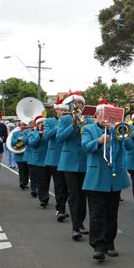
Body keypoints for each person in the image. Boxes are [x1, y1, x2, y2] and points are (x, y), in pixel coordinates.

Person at [81, 101, 133, 261]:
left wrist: (119, 131)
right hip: (96, 178)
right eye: (103, 115)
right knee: (97, 214)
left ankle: (110, 243)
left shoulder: (118, 129)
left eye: (109, 116)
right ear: (97, 115)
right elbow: (85, 147)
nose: (106, 118)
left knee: (112, 214)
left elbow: (130, 146)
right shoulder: (88, 129)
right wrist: (98, 141)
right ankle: (98, 246)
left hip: (113, 178)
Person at [56, 92, 92, 241]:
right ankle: (75, 227)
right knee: (74, 194)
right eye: (77, 103)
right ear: (71, 105)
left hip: (84, 162)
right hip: (69, 162)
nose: (79, 106)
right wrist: (73, 125)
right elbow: (59, 137)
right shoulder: (64, 119)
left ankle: (81, 223)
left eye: (81, 103)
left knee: (83, 195)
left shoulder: (88, 119)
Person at [44, 98, 69, 222]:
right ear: (56, 110)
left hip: (68, 158)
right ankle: (60, 209)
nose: (63, 112)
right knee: (59, 184)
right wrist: (59, 125)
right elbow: (46, 136)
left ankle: (63, 206)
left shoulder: (70, 121)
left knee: (67, 186)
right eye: (61, 109)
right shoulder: (49, 121)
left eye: (65, 110)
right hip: (54, 158)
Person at [27, 115, 51, 208]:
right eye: (40, 123)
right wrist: (40, 135)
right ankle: (43, 198)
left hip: (48, 160)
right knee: (41, 181)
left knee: (47, 180)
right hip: (38, 161)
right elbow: (33, 144)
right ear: (37, 125)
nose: (42, 125)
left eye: (44, 123)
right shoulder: (33, 133)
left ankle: (45, 196)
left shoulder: (48, 132)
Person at [11, 123, 29, 189]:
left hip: (27, 154)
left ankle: (25, 183)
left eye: (25, 125)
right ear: (19, 126)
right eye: (22, 125)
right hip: (19, 155)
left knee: (27, 170)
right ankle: (22, 183)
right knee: (21, 170)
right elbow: (12, 143)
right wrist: (19, 139)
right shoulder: (15, 133)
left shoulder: (29, 132)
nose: (23, 126)